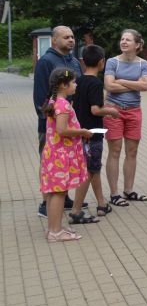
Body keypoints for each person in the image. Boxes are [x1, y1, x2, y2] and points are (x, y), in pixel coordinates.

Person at [34, 26, 83, 218]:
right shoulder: (46, 61)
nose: (71, 40)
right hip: (52, 126)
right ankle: (47, 203)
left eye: (72, 37)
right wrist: (51, 120)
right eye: (66, 37)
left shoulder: (74, 62)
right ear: (54, 40)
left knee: (65, 163)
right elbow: (40, 97)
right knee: (50, 163)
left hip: (70, 123)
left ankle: (64, 197)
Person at [40, 68, 92, 242]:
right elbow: (62, 130)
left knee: (55, 192)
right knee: (59, 192)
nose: (76, 85)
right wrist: (82, 131)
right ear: (63, 85)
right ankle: (55, 232)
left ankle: (54, 229)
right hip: (60, 155)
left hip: (54, 154)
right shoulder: (63, 104)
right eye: (73, 82)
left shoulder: (54, 100)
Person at [70, 45, 119, 223]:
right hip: (93, 134)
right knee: (89, 171)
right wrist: (112, 111)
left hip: (79, 132)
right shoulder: (96, 83)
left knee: (94, 168)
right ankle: (76, 210)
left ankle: (101, 204)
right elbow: (96, 110)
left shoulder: (79, 81)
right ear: (101, 62)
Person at [104, 29, 147, 207]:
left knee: (132, 152)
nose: (123, 42)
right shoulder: (112, 62)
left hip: (134, 110)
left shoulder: (143, 64)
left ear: (137, 45)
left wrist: (121, 81)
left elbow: (146, 86)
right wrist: (134, 85)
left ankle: (129, 190)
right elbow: (109, 85)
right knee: (115, 151)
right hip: (113, 110)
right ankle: (114, 194)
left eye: (128, 40)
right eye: (122, 39)